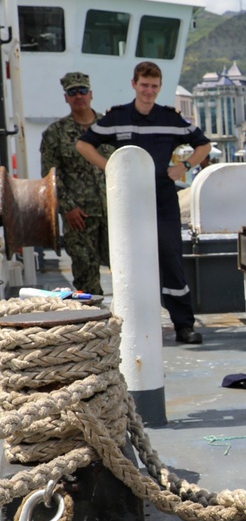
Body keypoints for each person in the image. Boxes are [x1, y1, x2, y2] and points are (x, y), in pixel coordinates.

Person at [75, 61, 211, 344]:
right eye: (144, 85)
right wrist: (109, 167)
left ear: (159, 88)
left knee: (171, 259)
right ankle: (131, 325)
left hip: (162, 198)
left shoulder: (170, 118)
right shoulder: (117, 117)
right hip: (128, 200)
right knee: (130, 260)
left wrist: (183, 166)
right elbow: (84, 144)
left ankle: (184, 326)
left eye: (154, 86)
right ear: (134, 84)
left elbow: (204, 144)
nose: (149, 91)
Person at [40, 72, 113, 294]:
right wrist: (68, 208)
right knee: (85, 274)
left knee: (125, 268)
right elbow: (51, 176)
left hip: (113, 212)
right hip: (80, 217)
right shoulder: (55, 134)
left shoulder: (110, 128)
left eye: (82, 91)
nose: (78, 96)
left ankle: (131, 323)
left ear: (90, 94)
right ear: (66, 98)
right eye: (72, 92)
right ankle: (94, 323)